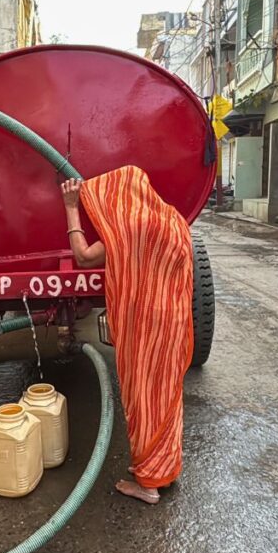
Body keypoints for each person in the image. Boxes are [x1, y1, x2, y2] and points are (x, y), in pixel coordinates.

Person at [61, 168, 193, 505]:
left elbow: (83, 257)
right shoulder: (174, 220)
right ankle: (163, 467)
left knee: (143, 396)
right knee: (166, 394)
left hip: (143, 326)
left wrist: (72, 207)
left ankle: (148, 484)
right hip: (174, 321)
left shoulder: (127, 227)